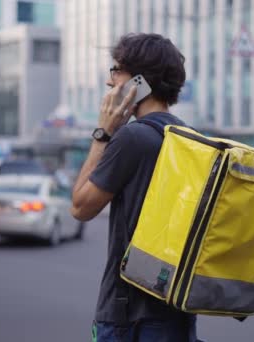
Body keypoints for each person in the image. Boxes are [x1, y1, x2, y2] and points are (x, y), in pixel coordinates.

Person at [70, 33, 198, 342]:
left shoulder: (132, 138)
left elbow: (80, 207)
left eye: (116, 71)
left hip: (129, 317)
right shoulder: (190, 137)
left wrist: (104, 132)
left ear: (139, 81)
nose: (109, 81)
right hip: (175, 311)